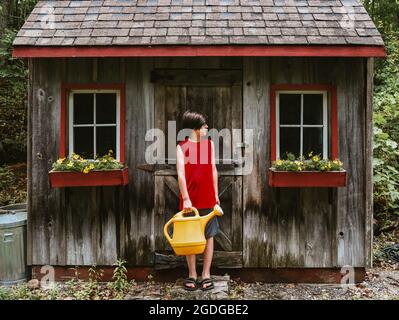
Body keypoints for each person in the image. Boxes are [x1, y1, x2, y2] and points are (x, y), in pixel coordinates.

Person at [176, 110, 220, 291]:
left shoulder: (209, 145)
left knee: (209, 235)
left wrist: (216, 195)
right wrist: (186, 198)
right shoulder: (182, 147)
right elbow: (180, 174)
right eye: (204, 126)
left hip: (208, 198)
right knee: (190, 238)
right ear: (194, 129)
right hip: (190, 202)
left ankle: (206, 274)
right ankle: (192, 273)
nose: (207, 128)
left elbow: (213, 170)